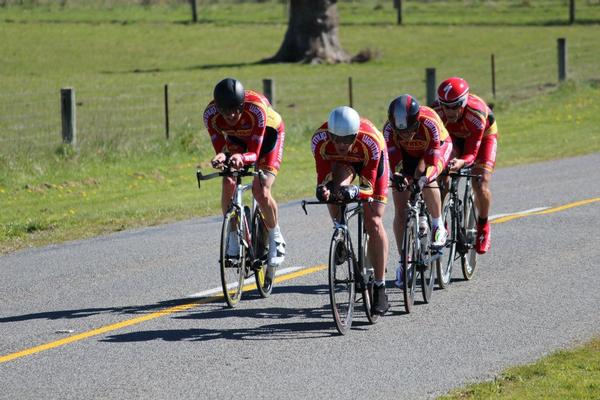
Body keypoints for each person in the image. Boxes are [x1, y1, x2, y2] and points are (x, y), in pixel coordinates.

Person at [203, 78, 286, 283]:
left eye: (235, 109)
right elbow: (222, 148)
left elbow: (255, 153)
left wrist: (242, 157)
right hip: (238, 140)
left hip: (267, 138)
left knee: (261, 189)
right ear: (217, 107)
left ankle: (276, 238)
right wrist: (221, 157)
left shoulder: (256, 108)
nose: (230, 115)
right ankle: (233, 237)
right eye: (225, 110)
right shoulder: (210, 115)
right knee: (228, 181)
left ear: (242, 105)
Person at [311, 106, 390, 315]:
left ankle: (381, 286)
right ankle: (340, 231)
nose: (340, 144)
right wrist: (324, 190)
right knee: (334, 191)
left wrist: (354, 191)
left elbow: (368, 187)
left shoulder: (370, 141)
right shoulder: (320, 140)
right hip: (343, 164)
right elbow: (323, 177)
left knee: (373, 220)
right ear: (329, 134)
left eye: (347, 140)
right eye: (336, 139)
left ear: (355, 135)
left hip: (371, 163)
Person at [384, 94, 453, 287]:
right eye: (402, 132)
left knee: (427, 179)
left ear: (417, 121)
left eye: (411, 130)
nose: (406, 135)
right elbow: (394, 163)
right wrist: (400, 178)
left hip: (435, 148)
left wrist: (420, 179)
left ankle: (437, 225)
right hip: (406, 155)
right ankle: (404, 261)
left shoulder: (429, 122)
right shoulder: (389, 131)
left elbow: (432, 161)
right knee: (400, 206)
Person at [433, 77, 498, 254]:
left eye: (455, 106)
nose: (450, 111)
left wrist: (461, 162)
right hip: (454, 138)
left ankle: (483, 225)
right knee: (441, 174)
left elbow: (471, 154)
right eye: (446, 106)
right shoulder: (435, 112)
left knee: (480, 181)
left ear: (464, 101)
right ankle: (440, 221)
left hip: (482, 138)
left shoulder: (476, 114)